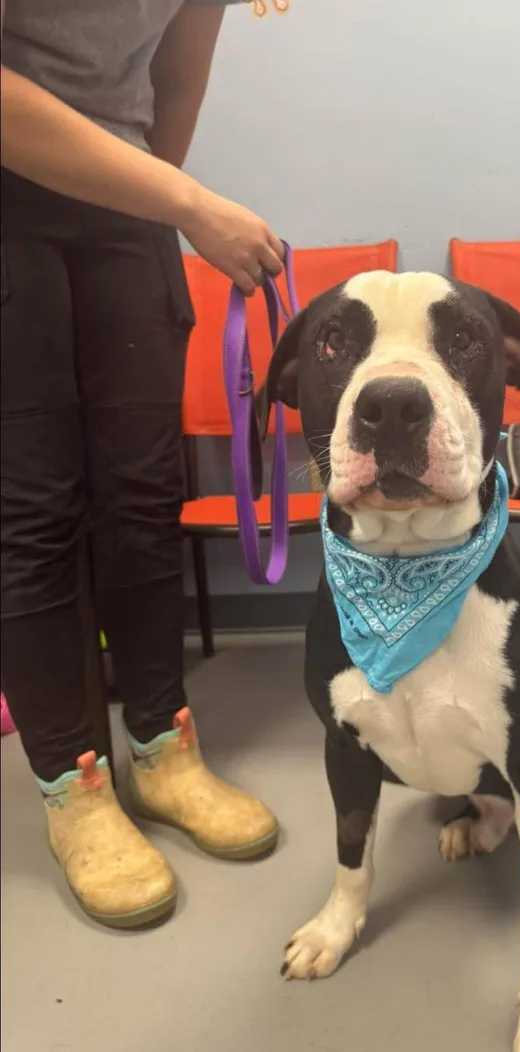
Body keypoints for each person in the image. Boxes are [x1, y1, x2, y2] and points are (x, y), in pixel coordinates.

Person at [1, 0, 283, 929]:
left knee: (145, 495)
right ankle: (73, 791)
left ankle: (163, 751)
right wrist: (191, 205)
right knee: (35, 508)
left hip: (120, 196)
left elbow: (173, 75)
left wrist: (152, 194)